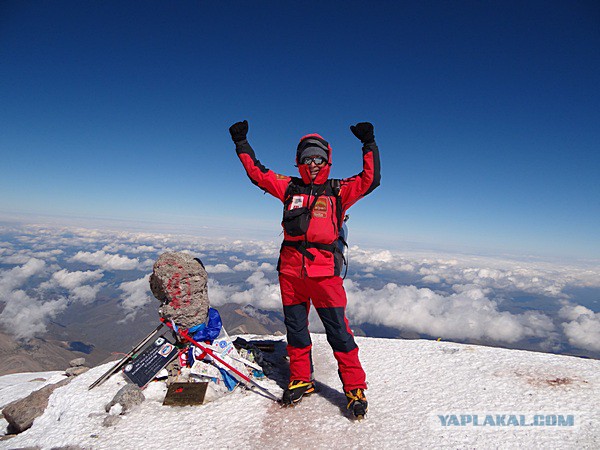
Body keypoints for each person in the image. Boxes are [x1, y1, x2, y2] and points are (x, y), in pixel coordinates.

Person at [229, 119, 380, 418]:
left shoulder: (338, 191)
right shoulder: (289, 187)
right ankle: (301, 379)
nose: (313, 163)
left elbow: (370, 179)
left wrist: (368, 143)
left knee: (339, 332)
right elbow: (258, 174)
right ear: (299, 161)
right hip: (290, 274)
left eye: (318, 158)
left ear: (327, 160)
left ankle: (354, 388)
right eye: (307, 158)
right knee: (296, 330)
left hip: (325, 276)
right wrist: (241, 144)